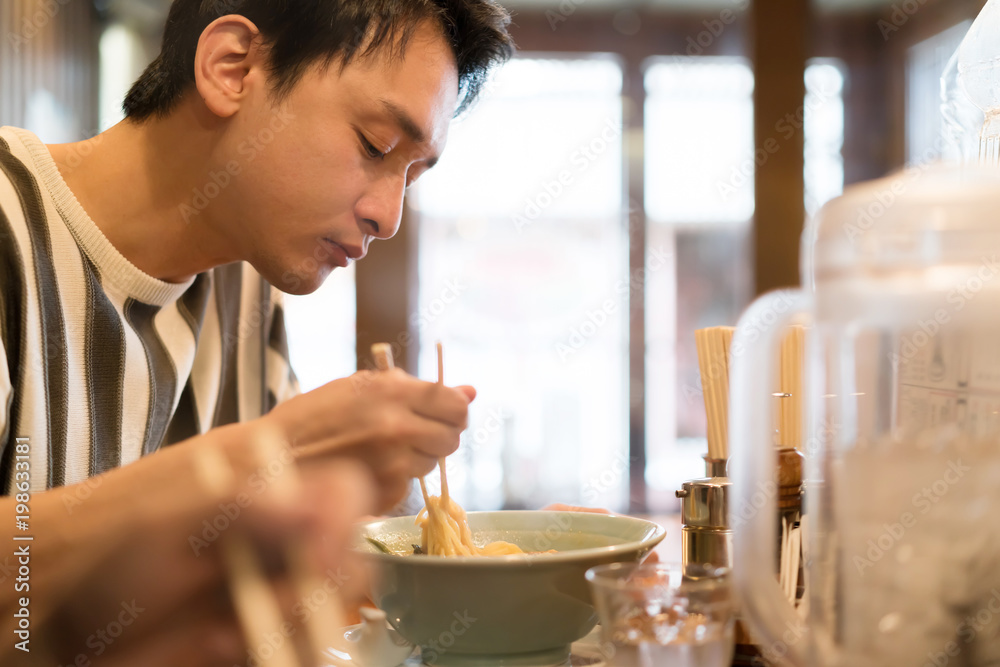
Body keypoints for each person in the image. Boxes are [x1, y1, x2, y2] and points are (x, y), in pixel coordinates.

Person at [0, 0, 513, 663]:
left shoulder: (244, 286)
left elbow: (277, 573)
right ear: (233, 67)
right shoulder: (11, 226)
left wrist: (521, 571)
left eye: (411, 174)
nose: (388, 217)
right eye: (376, 145)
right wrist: (257, 458)